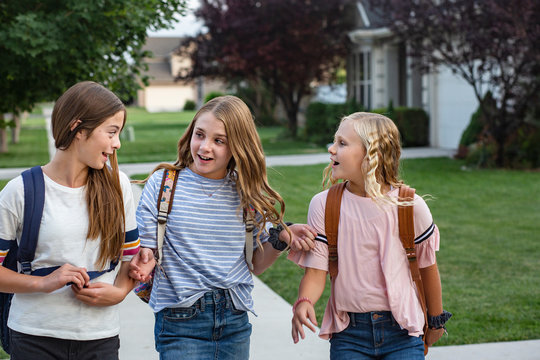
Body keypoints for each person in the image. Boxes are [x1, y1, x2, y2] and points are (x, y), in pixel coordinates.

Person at [129, 95, 317, 360]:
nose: (205, 147)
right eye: (200, 135)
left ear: (237, 147)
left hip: (235, 320)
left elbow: (256, 264)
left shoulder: (246, 192)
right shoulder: (164, 185)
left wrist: (282, 237)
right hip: (181, 320)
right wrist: (145, 261)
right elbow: (146, 250)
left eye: (219, 141)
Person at [289, 112, 451, 359]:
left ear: (372, 155)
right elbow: (315, 271)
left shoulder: (410, 206)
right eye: (335, 141)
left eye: (342, 143)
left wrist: (436, 321)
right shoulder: (324, 205)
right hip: (349, 334)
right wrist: (304, 301)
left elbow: (428, 269)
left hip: (403, 333)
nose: (331, 149)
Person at [0, 81, 140, 360]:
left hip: (100, 338)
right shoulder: (20, 191)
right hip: (33, 337)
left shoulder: (118, 186)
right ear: (79, 128)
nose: (118, 143)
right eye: (111, 132)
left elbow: (130, 258)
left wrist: (121, 291)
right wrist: (43, 283)